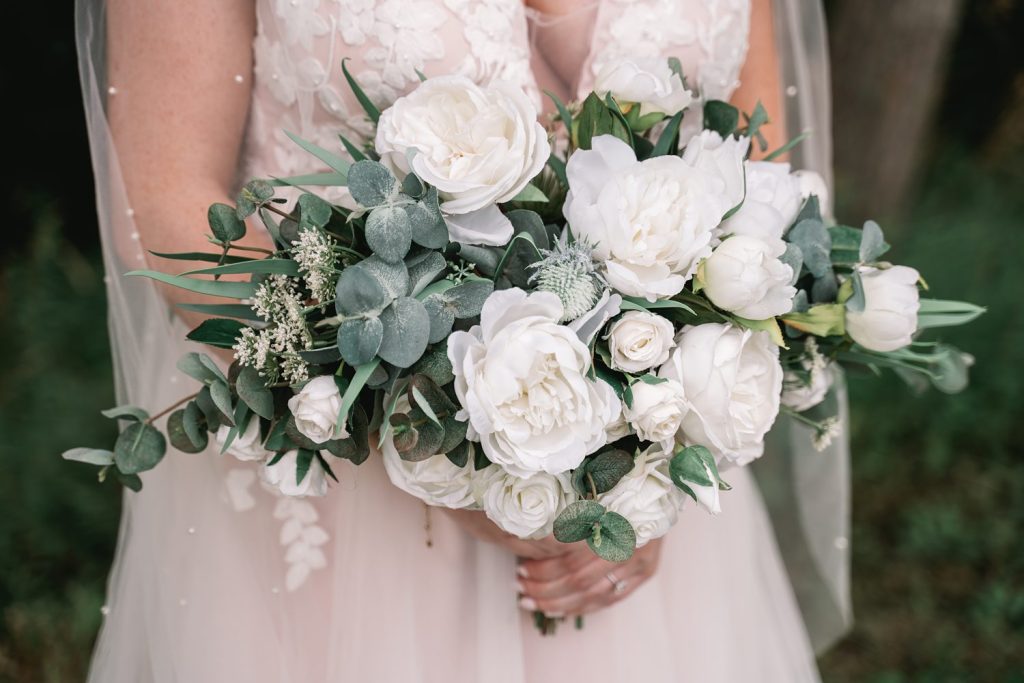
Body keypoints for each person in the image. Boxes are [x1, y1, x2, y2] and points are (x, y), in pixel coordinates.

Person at [76, 1, 847, 680]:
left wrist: (657, 466)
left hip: (635, 506)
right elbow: (165, 199)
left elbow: (759, 174)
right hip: (348, 491)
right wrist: (434, 443)